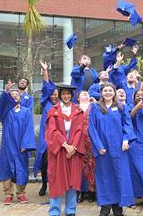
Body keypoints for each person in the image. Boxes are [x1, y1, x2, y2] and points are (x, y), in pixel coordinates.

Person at [88, 83, 136, 216]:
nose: (108, 93)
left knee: (119, 176)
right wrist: (98, 146)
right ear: (101, 93)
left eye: (110, 90)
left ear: (114, 93)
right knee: (104, 177)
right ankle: (105, 207)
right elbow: (91, 128)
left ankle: (117, 208)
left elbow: (127, 124)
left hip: (119, 149)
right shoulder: (95, 107)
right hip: (103, 150)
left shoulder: (121, 107)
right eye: (105, 90)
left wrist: (126, 139)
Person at [45, 84, 85, 216]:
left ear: (72, 96)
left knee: (73, 180)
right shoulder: (54, 110)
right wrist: (65, 144)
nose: (66, 96)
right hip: (58, 150)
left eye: (68, 94)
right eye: (63, 94)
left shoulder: (78, 110)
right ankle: (54, 211)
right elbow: (52, 130)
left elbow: (80, 129)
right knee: (56, 180)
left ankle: (70, 210)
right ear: (60, 96)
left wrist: (73, 146)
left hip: (74, 149)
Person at [0, 80, 36, 205]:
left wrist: (25, 144)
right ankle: (8, 194)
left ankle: (21, 193)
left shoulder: (26, 111)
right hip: (7, 145)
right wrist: (6, 91)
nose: (15, 96)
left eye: (17, 95)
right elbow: (1, 105)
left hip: (20, 146)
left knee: (21, 168)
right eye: (12, 95)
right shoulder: (6, 112)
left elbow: (29, 128)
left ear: (20, 98)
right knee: (6, 167)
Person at [33, 61, 58, 196]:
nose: (54, 96)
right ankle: (44, 184)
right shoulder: (46, 103)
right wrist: (45, 71)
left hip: (58, 139)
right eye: (52, 94)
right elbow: (46, 87)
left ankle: (56, 185)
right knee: (44, 163)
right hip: (46, 138)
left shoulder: (62, 106)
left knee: (57, 165)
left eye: (56, 94)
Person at [80, 91, 96, 203]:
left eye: (87, 93)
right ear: (77, 97)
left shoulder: (94, 107)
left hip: (91, 142)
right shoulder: (74, 108)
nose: (85, 95)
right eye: (82, 93)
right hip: (78, 142)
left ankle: (92, 192)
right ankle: (80, 191)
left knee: (91, 166)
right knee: (79, 168)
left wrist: (95, 103)